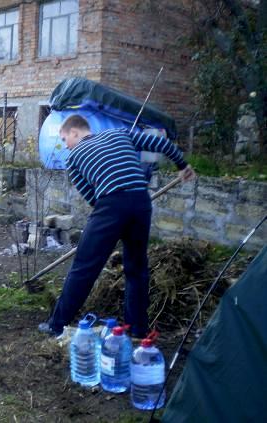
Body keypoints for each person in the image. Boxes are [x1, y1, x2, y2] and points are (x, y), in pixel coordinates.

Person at [39, 115, 195, 338]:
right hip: (141, 201)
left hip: (110, 205)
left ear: (74, 132)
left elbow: (92, 198)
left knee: (84, 267)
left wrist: (112, 216)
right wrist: (182, 165)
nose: (66, 145)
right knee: (136, 269)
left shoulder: (73, 158)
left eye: (65, 139)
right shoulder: (120, 133)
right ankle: (137, 330)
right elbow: (160, 143)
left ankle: (57, 325)